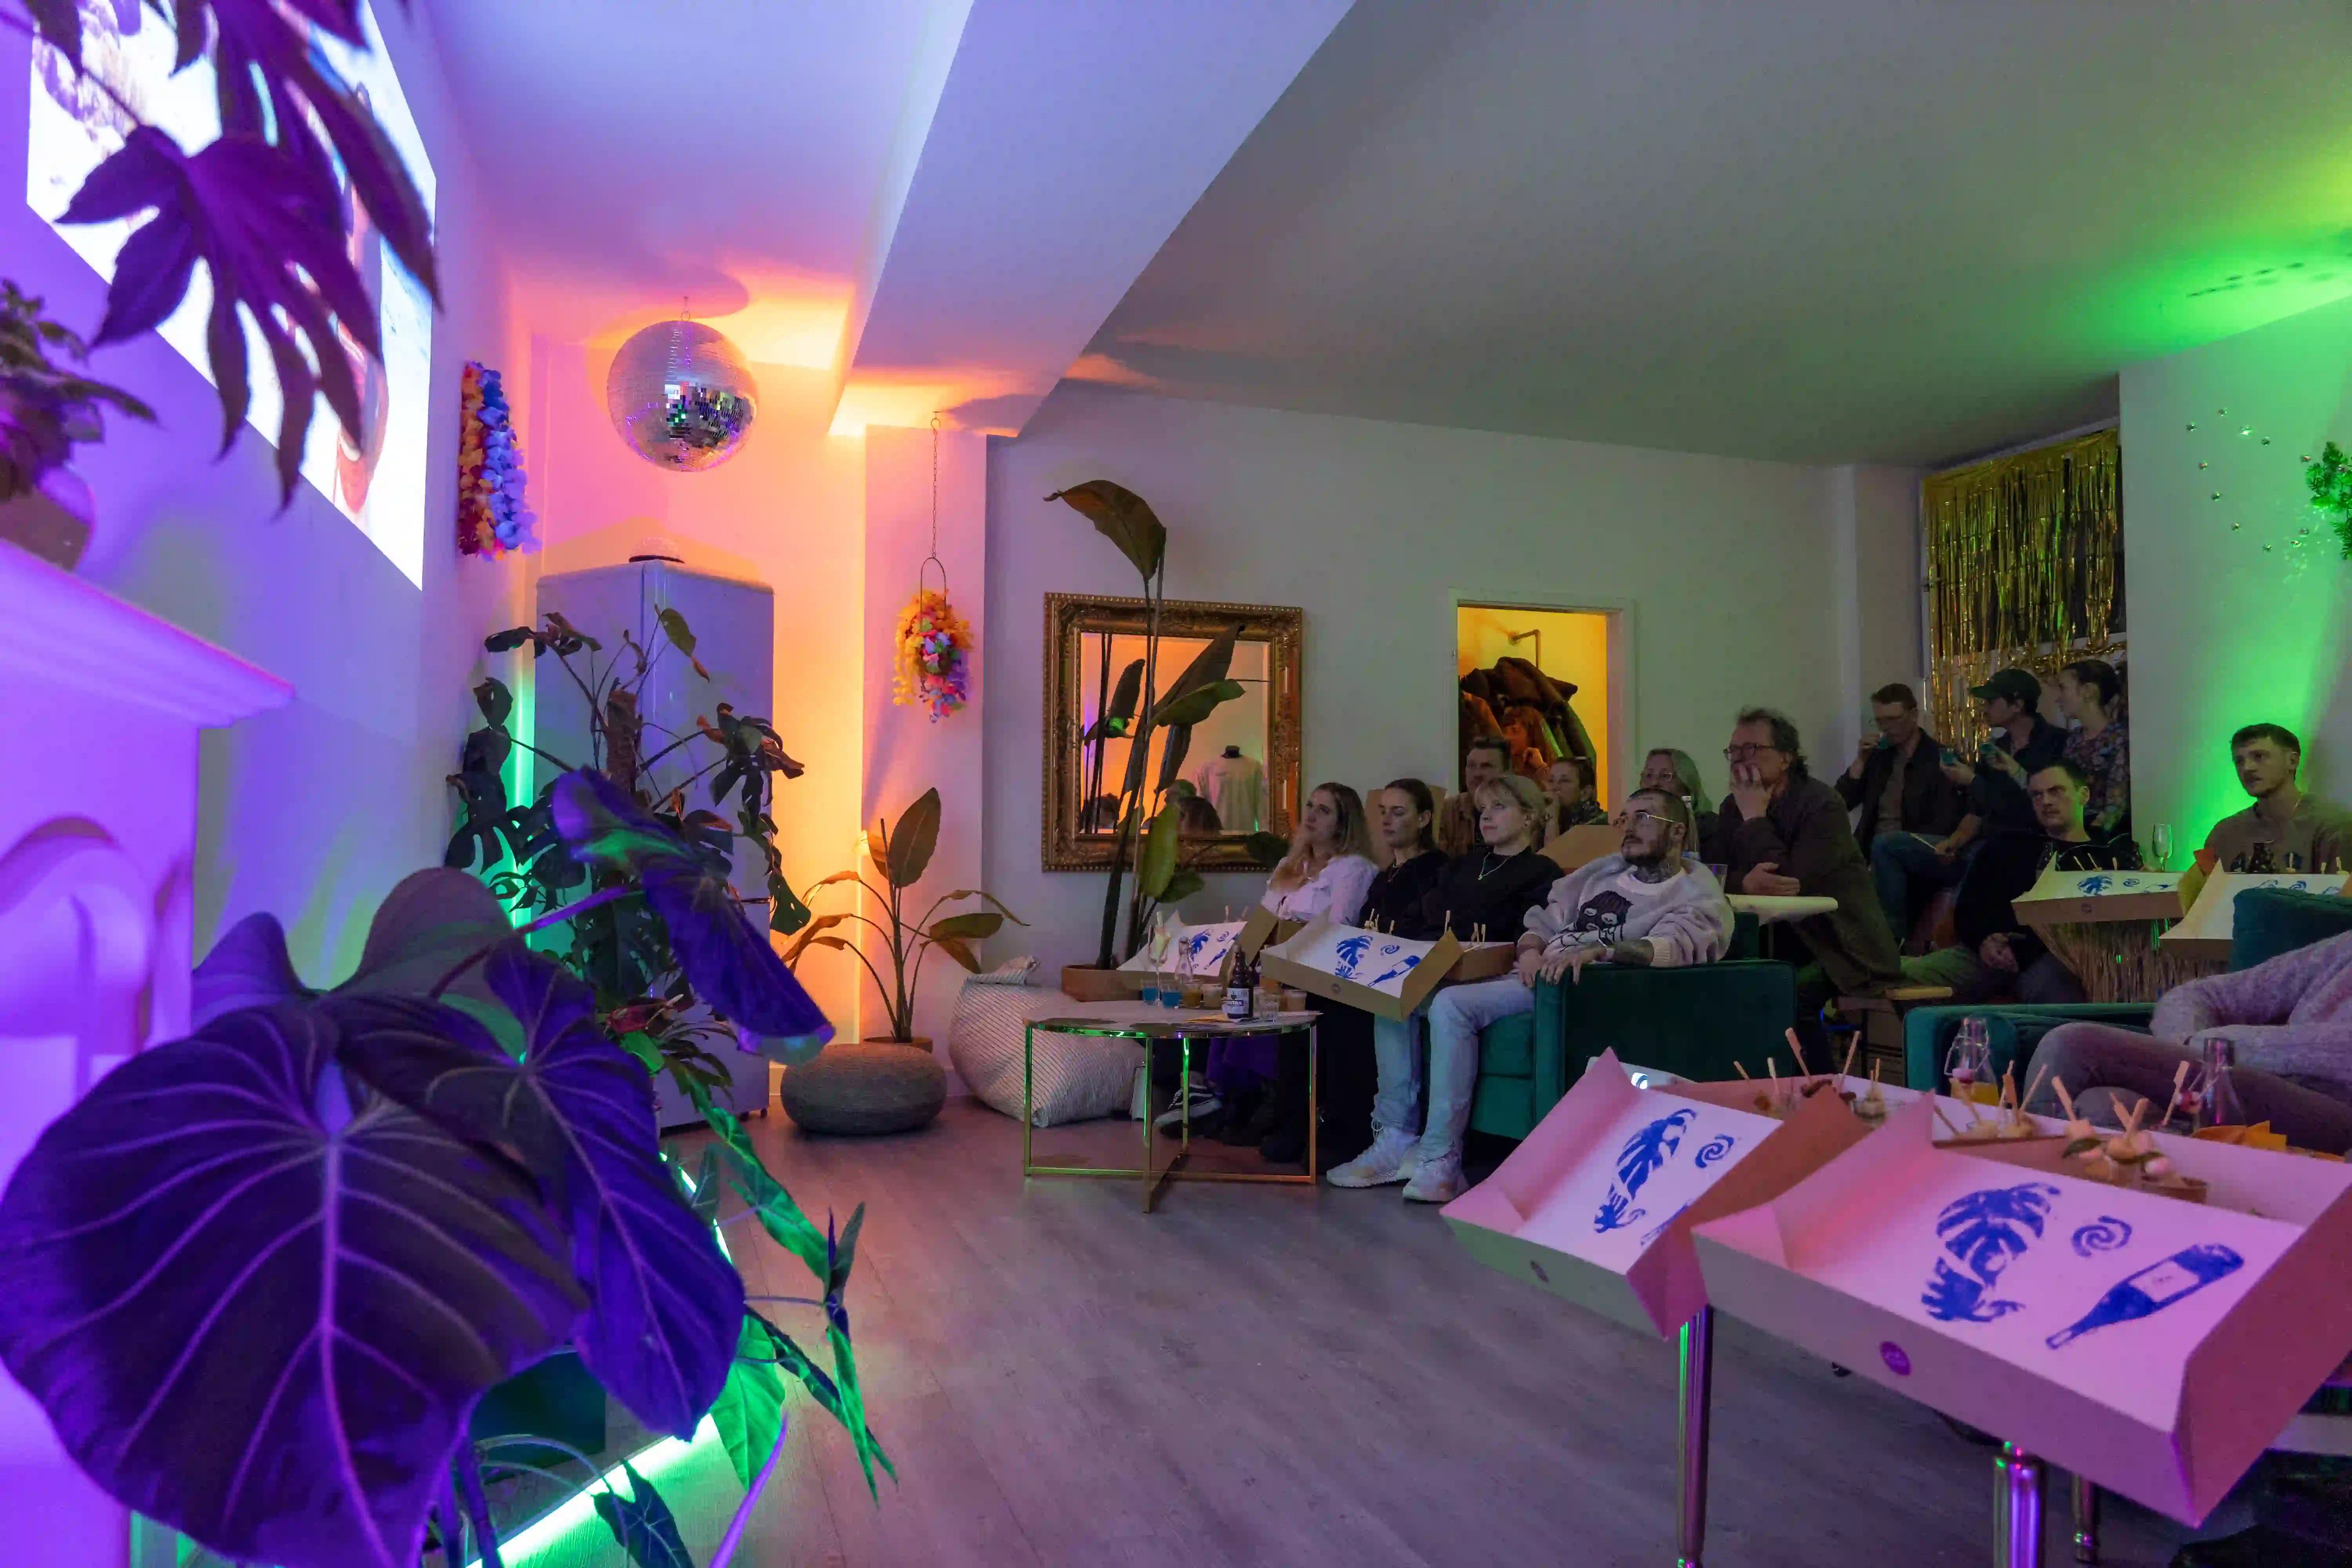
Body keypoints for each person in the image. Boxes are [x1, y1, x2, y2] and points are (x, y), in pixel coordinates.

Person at [1332, 788, 1731, 1202]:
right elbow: (1541, 920)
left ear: (1678, 831)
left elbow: (1675, 947)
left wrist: (1602, 950)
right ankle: (1395, 1135)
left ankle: (1440, 1160)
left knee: (1452, 1005)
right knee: (1401, 995)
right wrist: (1530, 950)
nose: (1628, 828)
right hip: (1537, 975)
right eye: (1624, 818)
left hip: (1586, 988)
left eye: (1643, 818)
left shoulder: (1694, 891)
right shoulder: (1601, 872)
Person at [1247, 780, 1452, 1164]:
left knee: (1330, 1004)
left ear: (1424, 819)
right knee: (1300, 999)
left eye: (1399, 812)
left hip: (1403, 970)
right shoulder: (1386, 873)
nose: (1388, 821)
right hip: (1362, 967)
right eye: (1384, 812)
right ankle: (1291, 1118)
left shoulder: (1434, 869)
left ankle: (1344, 1130)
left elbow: (1407, 929)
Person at [2023, 928, 2352, 1154]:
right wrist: (2189, 1042)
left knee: (2073, 1047)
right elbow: (2198, 995)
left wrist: (2209, 1047)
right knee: (2105, 1106)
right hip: (2247, 1080)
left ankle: (2020, 1185)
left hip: (2338, 1112)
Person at [1704, 708, 1903, 1033]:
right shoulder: (1733, 805)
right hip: (1775, 938)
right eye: (1734, 751)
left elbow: (1791, 884)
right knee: (1715, 984)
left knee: (1787, 996)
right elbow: (1715, 874)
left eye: (1752, 749)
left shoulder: (1823, 805)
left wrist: (1755, 819)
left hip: (1838, 945)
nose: (1739, 759)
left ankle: (1815, 1083)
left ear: (1786, 758)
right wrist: (1746, 883)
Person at [1923, 760, 2140, 1004]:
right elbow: (1967, 909)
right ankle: (1948, 1041)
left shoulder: (2109, 856)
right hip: (1983, 954)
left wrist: (2025, 951)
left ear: (2084, 795)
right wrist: (1983, 939)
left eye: (2056, 791)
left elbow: (2103, 931)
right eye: (2037, 795)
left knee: (2059, 994)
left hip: (2051, 960)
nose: (2046, 801)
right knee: (1904, 979)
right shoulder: (2007, 845)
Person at [1835, 682, 1971, 946]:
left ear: (1913, 715)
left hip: (1922, 847)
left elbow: (1946, 823)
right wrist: (1861, 761)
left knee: (1888, 846)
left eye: (1894, 719)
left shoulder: (1940, 758)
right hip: (1875, 849)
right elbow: (1839, 803)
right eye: (1881, 721)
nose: (1887, 728)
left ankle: (1892, 940)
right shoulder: (1879, 758)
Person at [2196, 723, 2346, 876]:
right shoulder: (2224, 834)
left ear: (2292, 762)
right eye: (2239, 761)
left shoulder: (2332, 826)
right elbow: (2198, 895)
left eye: (2259, 757)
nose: (2247, 768)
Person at [1941, 667, 2067, 837]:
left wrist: (1972, 781)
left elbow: (2030, 808)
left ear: (2017, 705)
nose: (1984, 709)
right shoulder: (1996, 748)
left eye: (1991, 702)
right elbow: (1976, 810)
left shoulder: (2057, 743)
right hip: (1986, 845)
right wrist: (1955, 841)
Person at [2055, 658, 2131, 840]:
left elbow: (2115, 807)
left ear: (2089, 692)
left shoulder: (2120, 739)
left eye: (2063, 688)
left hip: (2103, 843)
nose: (2058, 698)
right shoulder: (2073, 740)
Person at [1437, 735, 1513, 857]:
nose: (1477, 774)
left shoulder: (1521, 810)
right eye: (1472, 766)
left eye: (1487, 766)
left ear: (1507, 773)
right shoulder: (1448, 810)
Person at [1639, 747, 1719, 848]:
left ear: (1686, 784)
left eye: (1665, 776)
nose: (1655, 783)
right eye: (1649, 776)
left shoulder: (1710, 827)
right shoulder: (1635, 827)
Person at [1546, 754, 1609, 836]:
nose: (1554, 787)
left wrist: (1552, 820)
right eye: (1551, 780)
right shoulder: (1545, 817)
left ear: (1585, 793)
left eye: (1564, 781)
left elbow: (1555, 849)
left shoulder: (1598, 827)